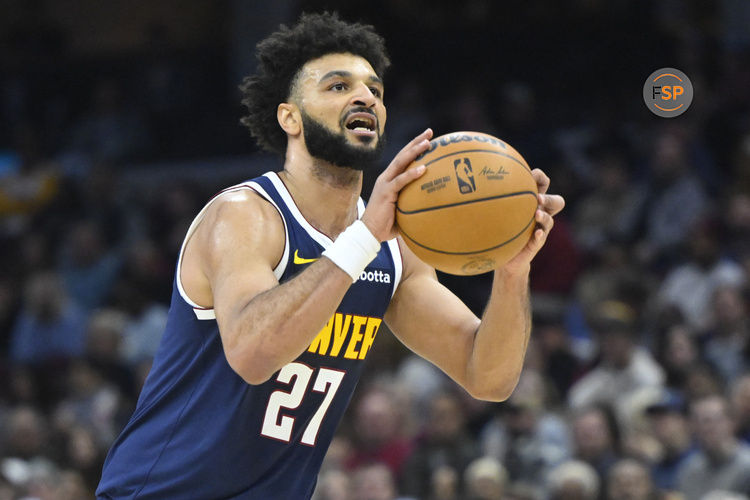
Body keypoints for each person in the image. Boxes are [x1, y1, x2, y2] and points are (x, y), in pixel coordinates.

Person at [96, 12, 563, 499]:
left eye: (375, 90)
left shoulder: (395, 249)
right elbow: (253, 355)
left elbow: (487, 376)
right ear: (289, 117)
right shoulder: (245, 217)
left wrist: (513, 269)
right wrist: (364, 236)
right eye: (338, 86)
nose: (365, 97)